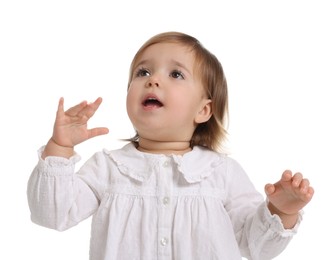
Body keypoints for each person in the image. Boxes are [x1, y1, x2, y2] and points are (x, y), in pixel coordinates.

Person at [27, 31, 314, 260]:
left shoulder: (220, 173)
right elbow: (52, 214)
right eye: (142, 73)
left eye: (175, 74)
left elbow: (256, 248)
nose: (152, 80)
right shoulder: (108, 168)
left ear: (203, 110)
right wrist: (60, 147)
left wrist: (281, 211)